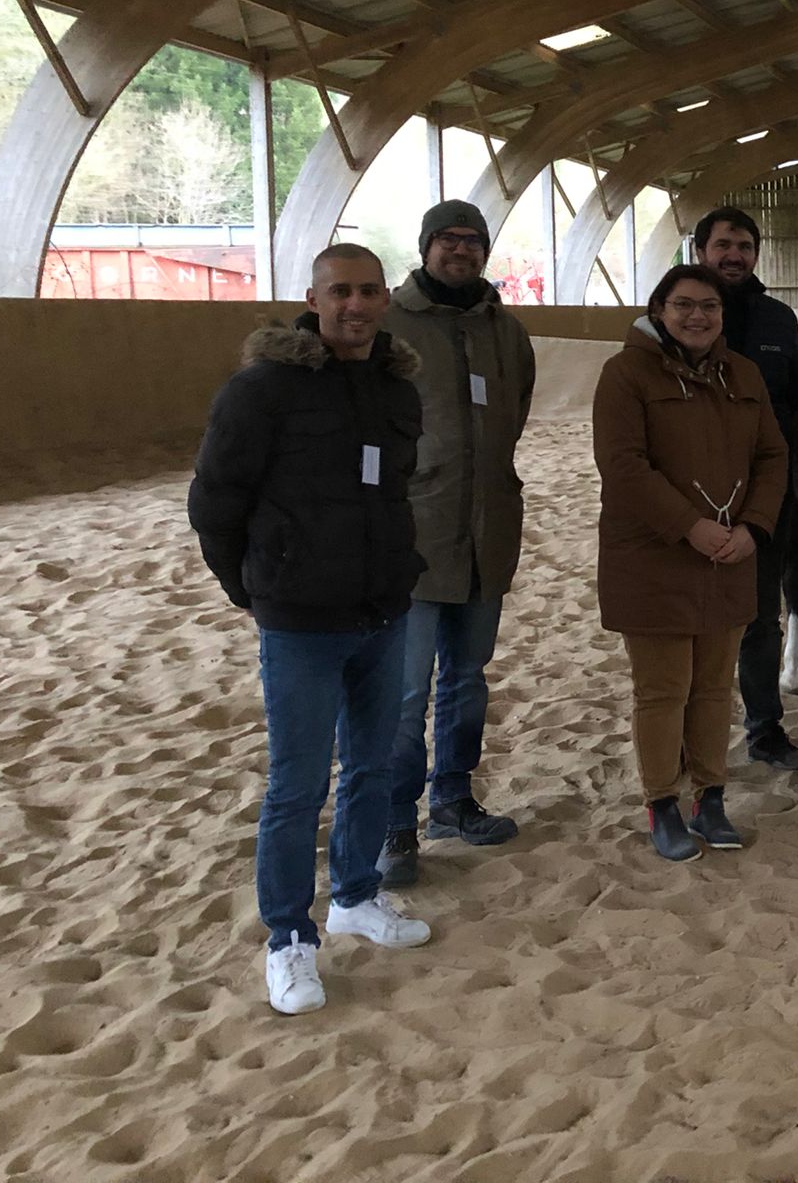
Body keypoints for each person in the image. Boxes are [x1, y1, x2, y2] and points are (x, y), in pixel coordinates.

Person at [188, 244, 433, 1017]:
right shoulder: (261, 390)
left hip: (383, 613)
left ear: (385, 298)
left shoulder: (398, 390)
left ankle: (357, 893)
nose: (354, 306)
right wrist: (255, 589)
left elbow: (393, 490)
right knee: (296, 786)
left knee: (373, 765)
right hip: (299, 622)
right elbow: (215, 502)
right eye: (339, 292)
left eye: (367, 291)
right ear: (313, 298)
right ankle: (288, 939)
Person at [593, 264, 789, 861]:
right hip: (654, 558)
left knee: (712, 688)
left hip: (730, 555)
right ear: (658, 309)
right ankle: (661, 803)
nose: (697, 316)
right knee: (663, 690)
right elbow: (623, 467)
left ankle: (710, 796)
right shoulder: (625, 374)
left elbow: (773, 455)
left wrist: (754, 527)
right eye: (683, 305)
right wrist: (690, 527)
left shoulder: (744, 375)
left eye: (709, 306)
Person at [375, 201, 535, 891]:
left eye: (473, 241)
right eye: (449, 241)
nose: (461, 252)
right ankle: (393, 823)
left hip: (487, 533)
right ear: (426, 247)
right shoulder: (390, 325)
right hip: (415, 536)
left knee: (468, 681)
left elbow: (515, 411)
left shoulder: (506, 330)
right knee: (407, 693)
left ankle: (453, 800)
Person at [694, 205, 798, 772]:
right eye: (723, 245)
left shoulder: (777, 319)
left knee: (762, 616)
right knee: (693, 619)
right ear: (701, 252)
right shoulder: (671, 317)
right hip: (692, 499)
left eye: (744, 245)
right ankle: (692, 734)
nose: (733, 254)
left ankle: (765, 729)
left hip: (765, 497)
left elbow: (792, 404)